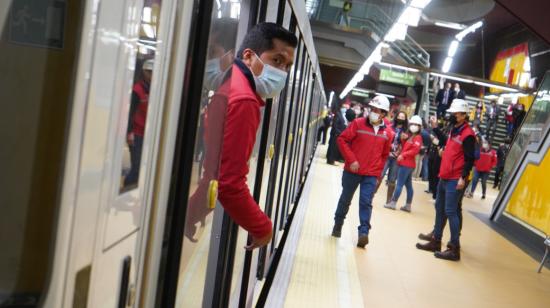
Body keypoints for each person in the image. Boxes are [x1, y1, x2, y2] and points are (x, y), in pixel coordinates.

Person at [186, 22, 297, 249]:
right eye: (277, 60)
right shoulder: (244, 100)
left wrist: (187, 215)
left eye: (287, 66)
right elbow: (228, 183)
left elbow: (214, 176)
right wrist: (262, 227)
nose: (282, 72)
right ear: (248, 56)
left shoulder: (231, 84)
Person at [416, 99, 475, 261]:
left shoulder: (468, 135)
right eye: (452, 113)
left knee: (451, 211)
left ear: (464, 115)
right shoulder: (454, 129)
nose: (453, 115)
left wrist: (463, 178)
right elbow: (445, 143)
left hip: (456, 178)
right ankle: (436, 240)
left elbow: (470, 159)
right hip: (445, 175)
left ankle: (454, 248)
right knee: (439, 206)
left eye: (456, 113)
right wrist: (435, 128)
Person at [331, 96, 394, 248]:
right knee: (345, 199)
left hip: (370, 174)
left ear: (384, 114)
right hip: (352, 171)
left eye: (377, 110)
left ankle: (364, 233)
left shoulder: (388, 133)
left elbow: (384, 155)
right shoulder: (358, 124)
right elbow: (342, 139)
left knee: (366, 203)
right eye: (372, 109)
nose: (373, 112)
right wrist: (351, 160)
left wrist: (378, 174)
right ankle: (338, 225)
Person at [124, 59, 154, 188]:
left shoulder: (154, 90)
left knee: (143, 167)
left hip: (146, 134)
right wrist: (129, 132)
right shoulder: (137, 90)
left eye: (153, 72)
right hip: (136, 134)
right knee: (136, 167)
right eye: (149, 72)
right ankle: (126, 188)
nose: (151, 75)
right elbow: (129, 113)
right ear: (144, 72)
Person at [384, 115, 423, 212]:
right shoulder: (411, 136)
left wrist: (403, 155)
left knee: (399, 184)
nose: (413, 125)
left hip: (407, 164)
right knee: (408, 185)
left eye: (416, 124)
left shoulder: (418, 137)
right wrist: (403, 139)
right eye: (412, 124)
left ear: (419, 126)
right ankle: (408, 205)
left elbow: (415, 150)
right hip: (406, 164)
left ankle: (393, 202)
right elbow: (406, 147)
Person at [378, 111, 408, 204]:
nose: (401, 119)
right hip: (387, 155)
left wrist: (403, 141)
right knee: (380, 175)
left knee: (392, 179)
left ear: (405, 119)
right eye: (399, 116)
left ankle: (388, 200)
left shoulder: (406, 132)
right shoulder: (389, 127)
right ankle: (371, 195)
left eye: (403, 117)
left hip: (396, 157)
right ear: (396, 117)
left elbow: (406, 146)